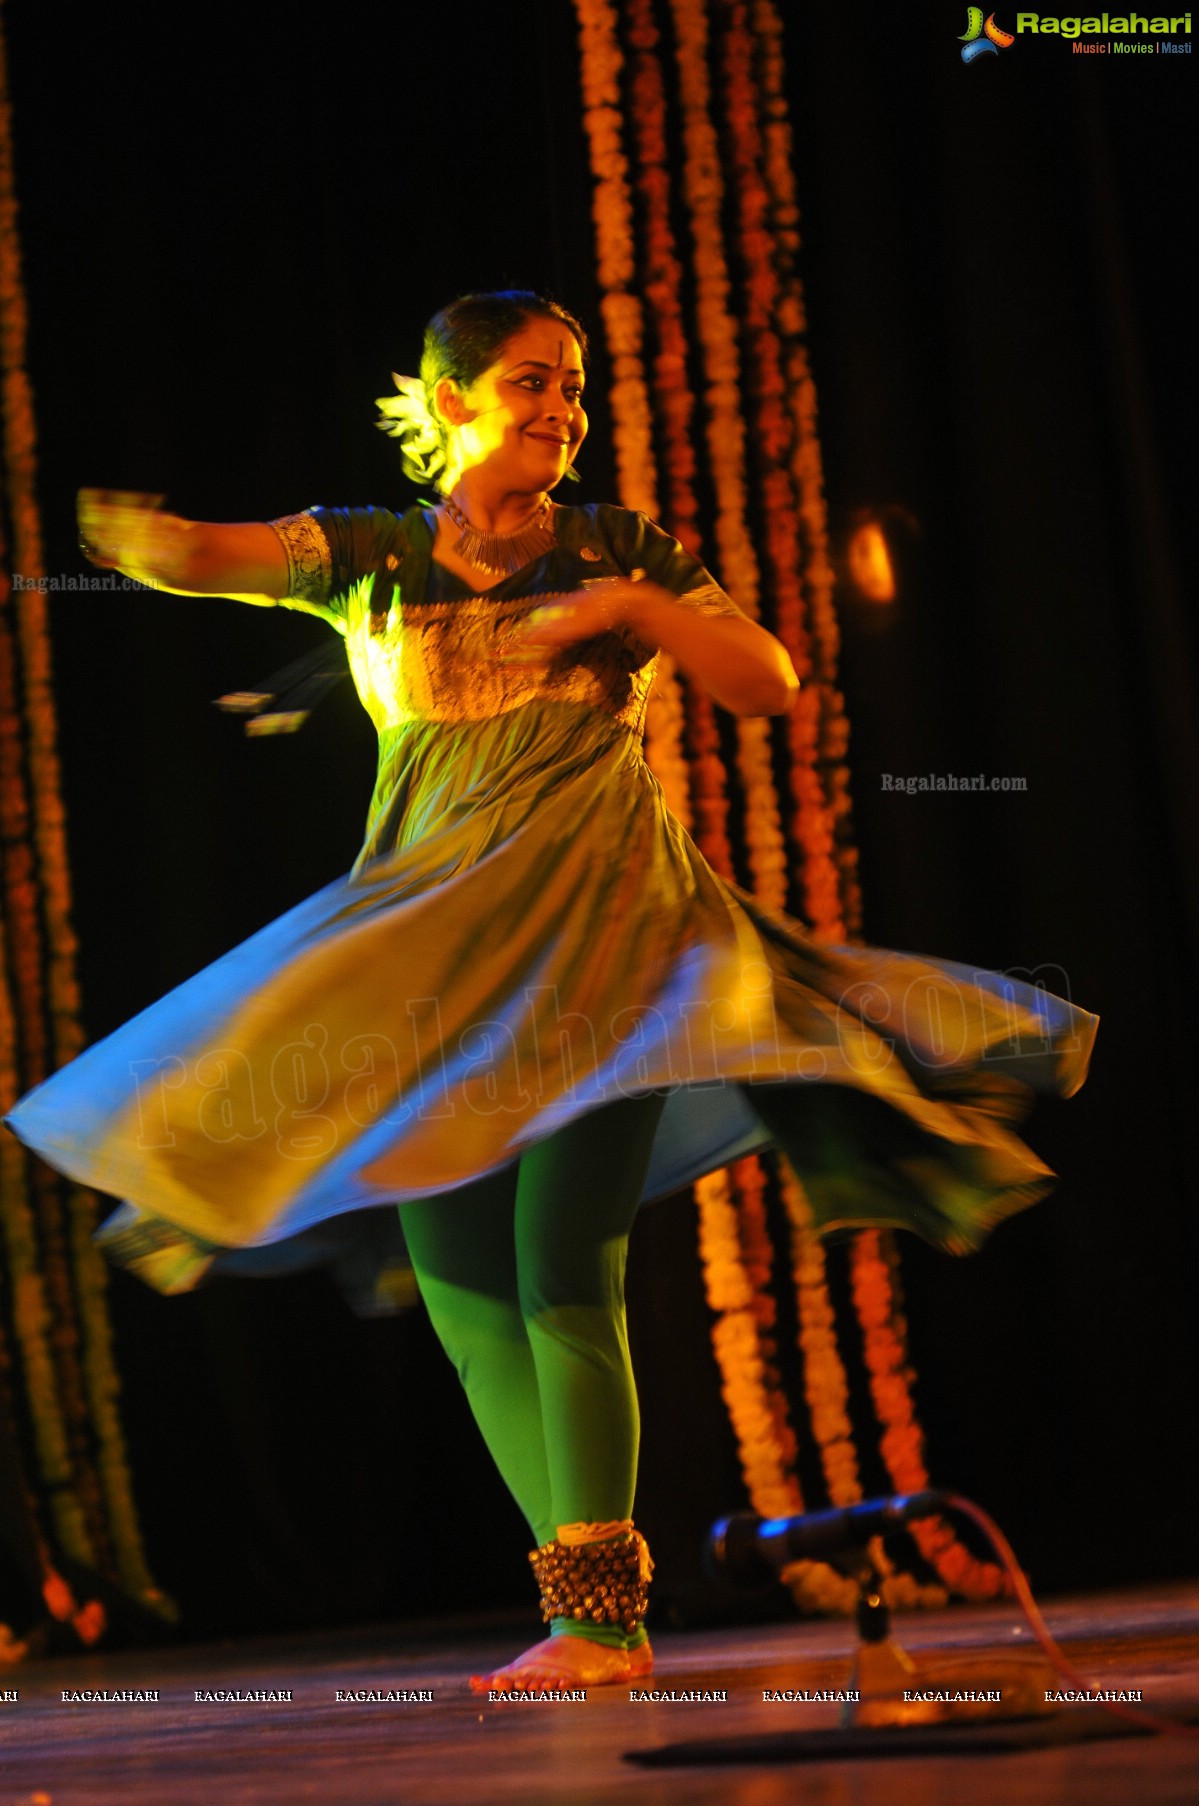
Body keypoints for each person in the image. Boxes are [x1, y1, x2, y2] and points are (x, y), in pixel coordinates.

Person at [6, 290, 1096, 1692]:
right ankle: (589, 1605)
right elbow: (216, 557)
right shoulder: (377, 556)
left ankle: (599, 1621)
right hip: (434, 965)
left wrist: (636, 605)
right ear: (447, 400)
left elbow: (766, 682)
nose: (562, 408)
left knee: (563, 1265)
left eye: (574, 386)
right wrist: (140, 540)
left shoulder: (617, 546)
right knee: (461, 1291)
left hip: (607, 943)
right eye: (530, 383)